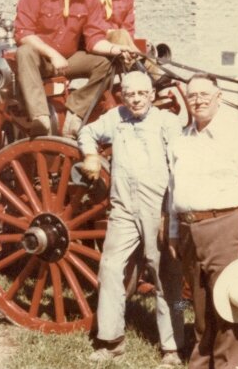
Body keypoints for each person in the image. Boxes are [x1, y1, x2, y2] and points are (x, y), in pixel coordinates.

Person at [77, 71, 184, 366]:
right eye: (130, 94)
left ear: (151, 95)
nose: (135, 99)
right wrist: (90, 155)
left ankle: (173, 347)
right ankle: (112, 342)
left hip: (158, 207)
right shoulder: (116, 118)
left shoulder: (167, 122)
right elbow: (87, 132)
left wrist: (170, 214)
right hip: (123, 208)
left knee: (167, 274)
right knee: (110, 268)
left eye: (141, 94)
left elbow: (180, 166)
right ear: (123, 96)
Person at [167, 73, 238, 369]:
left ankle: (230, 364)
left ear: (219, 97)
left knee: (229, 305)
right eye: (192, 95)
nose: (197, 100)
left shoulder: (237, 134)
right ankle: (201, 363)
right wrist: (174, 233)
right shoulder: (182, 139)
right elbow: (174, 190)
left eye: (204, 95)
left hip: (225, 227)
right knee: (199, 309)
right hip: (189, 230)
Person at [14, 0, 129, 139]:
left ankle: (75, 114)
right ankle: (40, 118)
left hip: (68, 60)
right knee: (24, 52)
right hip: (40, 60)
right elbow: (23, 32)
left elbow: (94, 37)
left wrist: (115, 49)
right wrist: (52, 54)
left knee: (107, 63)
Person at [89, 0, 166, 84]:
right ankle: (150, 75)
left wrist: (138, 42)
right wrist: (111, 32)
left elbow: (129, 28)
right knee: (121, 34)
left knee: (144, 43)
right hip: (93, 40)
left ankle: (155, 85)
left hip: (120, 41)